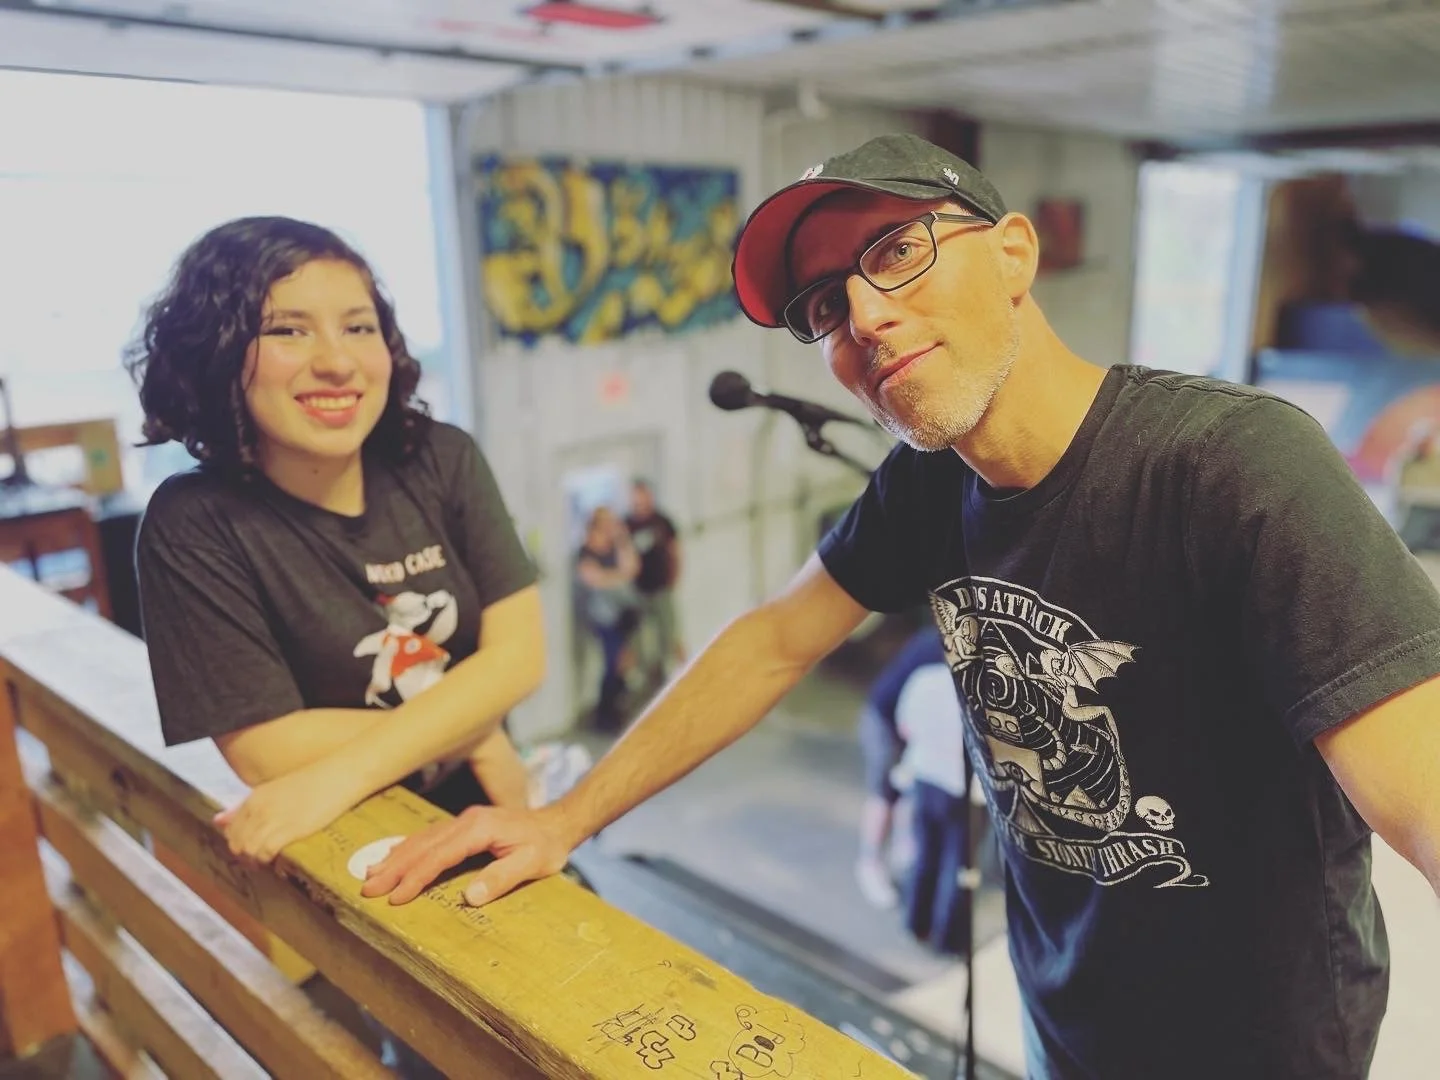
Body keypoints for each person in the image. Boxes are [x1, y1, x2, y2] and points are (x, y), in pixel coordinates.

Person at [361, 134, 1440, 1080]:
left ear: (1014, 253)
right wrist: (564, 818)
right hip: (1068, 1013)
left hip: (1262, 1043)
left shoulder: (1233, 463)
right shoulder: (932, 482)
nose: (864, 317)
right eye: (824, 307)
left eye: (894, 253)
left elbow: (1417, 784)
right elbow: (777, 639)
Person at [126, 216, 545, 860]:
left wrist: (342, 767)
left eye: (358, 327)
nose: (337, 362)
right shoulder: (194, 522)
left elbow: (519, 656)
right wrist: (475, 731)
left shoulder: (440, 457)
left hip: (492, 824)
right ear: (217, 350)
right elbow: (264, 750)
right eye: (287, 330)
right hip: (345, 851)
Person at [854, 625, 946, 909]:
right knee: (885, 795)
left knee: (908, 789)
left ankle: (902, 853)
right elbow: (911, 703)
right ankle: (869, 864)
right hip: (885, 721)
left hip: (909, 725)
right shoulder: (936, 646)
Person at [893, 660, 973, 955]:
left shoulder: (924, 677)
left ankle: (916, 924)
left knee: (926, 854)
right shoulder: (977, 691)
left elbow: (904, 725)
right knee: (956, 865)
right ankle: (947, 937)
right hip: (959, 787)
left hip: (924, 776)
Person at [574, 505, 640, 730]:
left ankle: (618, 708)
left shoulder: (614, 547)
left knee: (624, 662)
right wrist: (618, 577)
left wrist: (622, 539)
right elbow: (595, 578)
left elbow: (631, 568)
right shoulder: (586, 552)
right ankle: (604, 715)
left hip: (623, 615)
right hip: (602, 617)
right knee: (611, 664)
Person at [624, 478, 684, 683]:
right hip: (638, 592)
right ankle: (644, 679)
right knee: (638, 640)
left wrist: (674, 577)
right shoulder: (626, 524)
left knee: (670, 634)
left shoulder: (662, 521)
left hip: (661, 588)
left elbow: (675, 551)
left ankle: (681, 674)